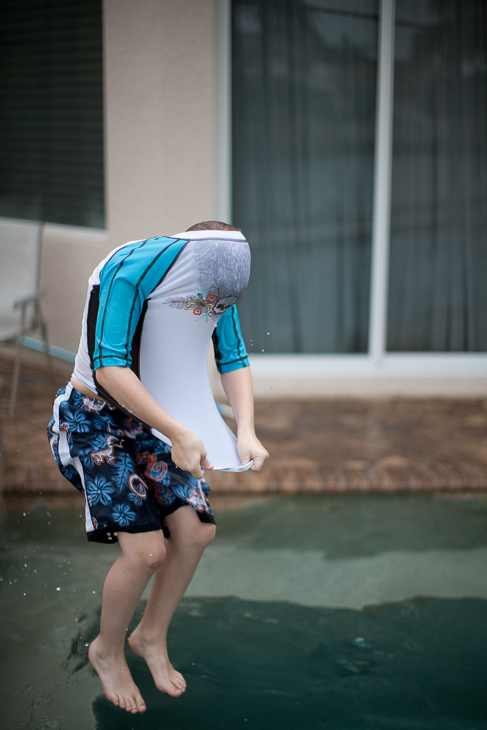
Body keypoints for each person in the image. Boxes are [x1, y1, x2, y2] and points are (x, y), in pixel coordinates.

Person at [47, 221, 268, 714]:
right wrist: (183, 434)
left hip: (156, 420)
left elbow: (232, 357)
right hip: (92, 418)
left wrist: (246, 430)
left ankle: (149, 635)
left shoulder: (211, 292)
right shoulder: (131, 272)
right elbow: (108, 368)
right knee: (146, 552)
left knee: (194, 534)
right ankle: (106, 649)